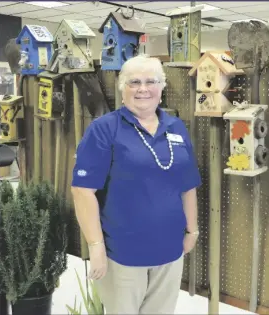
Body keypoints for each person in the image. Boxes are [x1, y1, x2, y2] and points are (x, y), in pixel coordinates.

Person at [71, 54, 202, 314]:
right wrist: (95, 246)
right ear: (122, 90)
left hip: (169, 251)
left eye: (150, 81)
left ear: (162, 89)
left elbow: (188, 186)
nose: (143, 89)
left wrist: (192, 230)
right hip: (123, 254)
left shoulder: (176, 127)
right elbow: (82, 191)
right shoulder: (104, 129)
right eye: (134, 82)